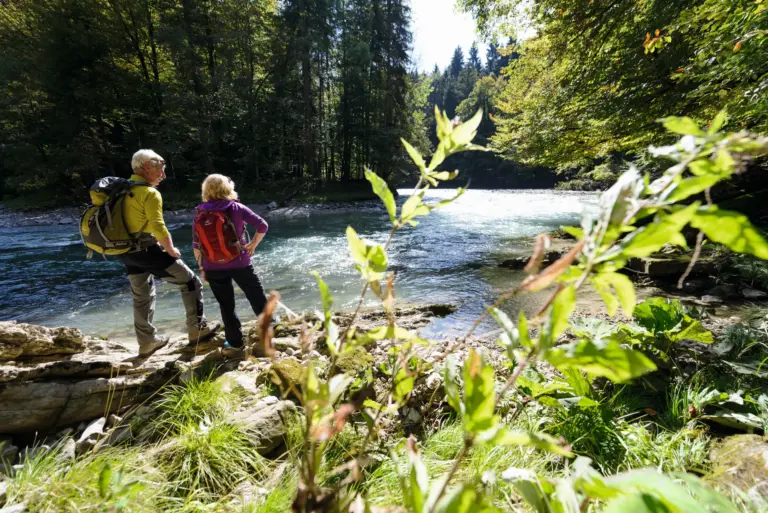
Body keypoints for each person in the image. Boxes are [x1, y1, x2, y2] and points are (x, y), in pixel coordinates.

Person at [119, 149, 221, 357]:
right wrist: (170, 248)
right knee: (191, 282)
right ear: (146, 166)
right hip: (147, 249)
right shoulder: (149, 193)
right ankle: (197, 330)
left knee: (141, 296)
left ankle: (146, 343)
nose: (163, 175)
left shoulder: (121, 190)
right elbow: (158, 226)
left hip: (125, 250)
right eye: (160, 169)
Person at [192, 174, 269, 355]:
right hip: (240, 261)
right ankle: (269, 330)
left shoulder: (199, 214)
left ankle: (235, 343)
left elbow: (196, 247)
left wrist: (203, 268)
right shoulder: (236, 208)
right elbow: (262, 226)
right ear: (228, 189)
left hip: (212, 266)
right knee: (255, 293)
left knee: (226, 304)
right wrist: (252, 245)